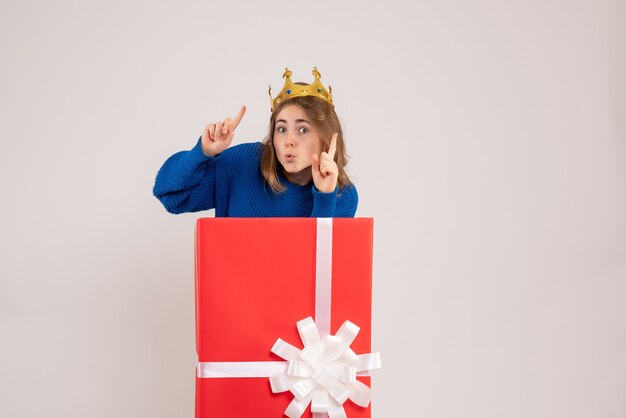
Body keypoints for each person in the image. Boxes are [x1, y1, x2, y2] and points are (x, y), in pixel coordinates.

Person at [153, 67, 358, 217]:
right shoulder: (243, 163)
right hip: (232, 277)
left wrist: (325, 197)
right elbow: (169, 195)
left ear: (325, 138)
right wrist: (202, 152)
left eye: (303, 129)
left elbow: (316, 269)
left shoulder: (342, 195)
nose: (289, 141)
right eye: (281, 129)